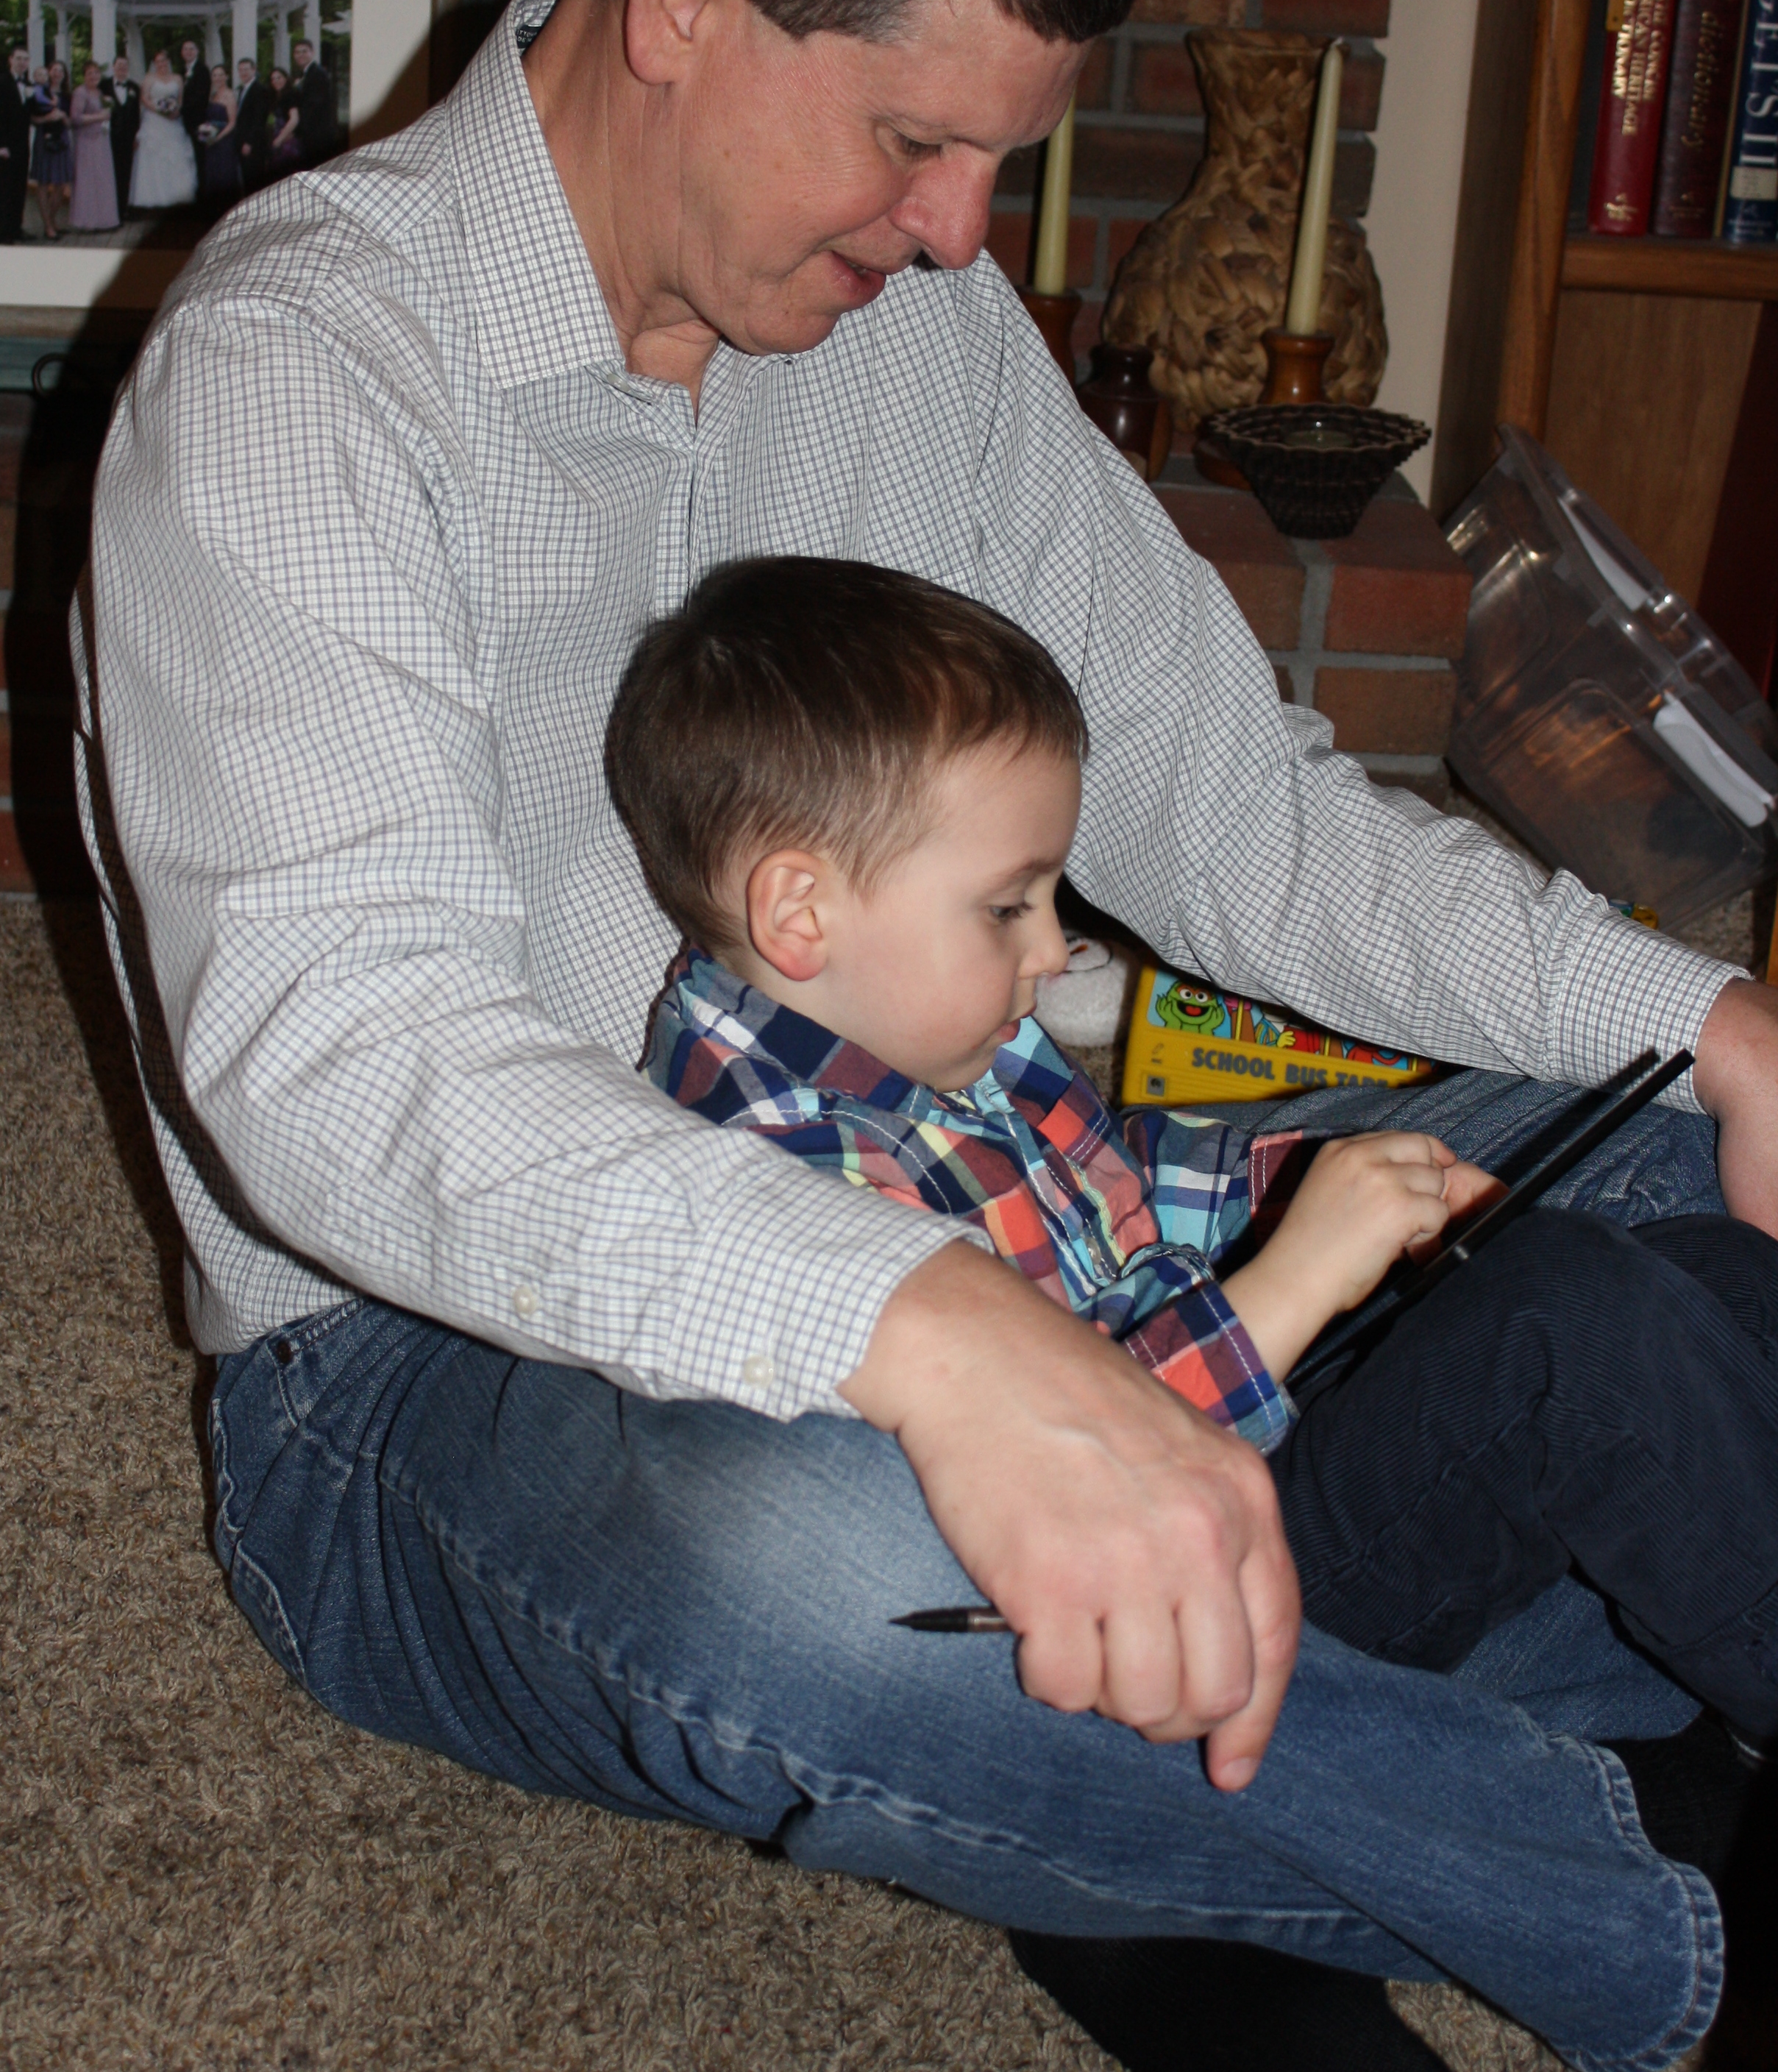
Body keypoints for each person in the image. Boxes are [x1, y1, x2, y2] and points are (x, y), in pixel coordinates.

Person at [76, 0, 1778, 2072]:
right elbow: (347, 1072)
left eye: (996, 159)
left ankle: (1168, 1735)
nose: (966, 236)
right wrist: (937, 1340)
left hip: (1006, 1144)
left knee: (1655, 1148)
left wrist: (1699, 1018)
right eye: (909, 140)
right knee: (823, 1567)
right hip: (433, 1370)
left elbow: (1243, 811)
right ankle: (1637, 1878)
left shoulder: (915, 333)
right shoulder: (298, 375)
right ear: (687, 0)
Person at [616, 555, 1778, 1750]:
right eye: (1010, 905)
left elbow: (1113, 1180)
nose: (1054, 950)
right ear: (798, 914)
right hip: (1174, 1596)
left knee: (1704, 1269)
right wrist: (1294, 1279)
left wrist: (1306, 1187)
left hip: (1235, 1434)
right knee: (1562, 1329)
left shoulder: (933, 1027)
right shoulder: (781, 1180)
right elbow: (1064, 1475)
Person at [129, 48, 199, 207]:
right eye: (158, 61)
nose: (161, 64)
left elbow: (180, 99)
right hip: (154, 121)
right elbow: (144, 99)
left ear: (169, 61)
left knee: (175, 156)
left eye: (164, 61)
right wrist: (159, 111)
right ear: (155, 64)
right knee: (154, 158)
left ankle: (176, 197)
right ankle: (154, 198)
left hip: (173, 121)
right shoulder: (149, 78)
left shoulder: (178, 78)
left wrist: (176, 111)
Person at [68, 57, 119, 233]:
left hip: (102, 140)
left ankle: (104, 220)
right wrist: (100, 117)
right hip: (87, 142)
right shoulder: (80, 92)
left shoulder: (100, 93)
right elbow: (76, 118)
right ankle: (87, 222)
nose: (94, 76)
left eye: (96, 73)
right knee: (88, 181)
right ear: (84, 76)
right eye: (90, 73)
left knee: (103, 180)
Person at [27, 57, 72, 237]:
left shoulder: (67, 96)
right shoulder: (39, 91)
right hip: (44, 138)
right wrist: (47, 118)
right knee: (44, 182)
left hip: (62, 139)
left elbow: (70, 122)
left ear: (64, 75)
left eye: (61, 71)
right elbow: (31, 118)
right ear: (48, 72)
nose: (57, 73)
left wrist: (63, 117)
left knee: (61, 183)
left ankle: (51, 221)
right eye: (54, 70)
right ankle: (48, 226)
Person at [196, 61, 241, 205]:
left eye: (221, 75)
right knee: (212, 172)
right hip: (211, 140)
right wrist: (206, 134)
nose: (218, 78)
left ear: (227, 77)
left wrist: (218, 138)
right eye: (215, 75)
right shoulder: (212, 95)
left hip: (224, 140)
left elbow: (232, 122)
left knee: (225, 173)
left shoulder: (229, 95)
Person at [102, 55, 139, 219]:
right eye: (119, 65)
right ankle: (108, 210)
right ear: (113, 67)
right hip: (108, 137)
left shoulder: (134, 88)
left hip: (128, 139)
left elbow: (136, 115)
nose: (122, 68)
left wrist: (136, 136)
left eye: (125, 65)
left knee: (125, 174)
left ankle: (123, 210)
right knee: (109, 174)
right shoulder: (104, 86)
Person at [290, 36, 335, 165]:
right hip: (310, 134)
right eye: (297, 52)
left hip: (317, 134)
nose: (300, 55)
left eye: (304, 51)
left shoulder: (318, 74)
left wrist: (297, 129)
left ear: (312, 53)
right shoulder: (305, 74)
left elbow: (314, 105)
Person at [0, 42, 28, 241]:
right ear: (11, 60)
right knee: (5, 189)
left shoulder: (28, 84)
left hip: (22, 145)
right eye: (18, 58)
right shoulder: (2, 82)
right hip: (6, 146)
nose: (22, 62)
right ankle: (5, 232)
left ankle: (17, 228)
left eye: (25, 59)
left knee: (19, 187)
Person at [232, 56, 270, 191]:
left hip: (253, 145)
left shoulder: (260, 90)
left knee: (254, 181)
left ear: (254, 70)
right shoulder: (242, 90)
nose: (243, 73)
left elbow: (259, 119)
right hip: (241, 141)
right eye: (241, 70)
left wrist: (249, 142)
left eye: (246, 69)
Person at [263, 63, 301, 177]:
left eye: (278, 78)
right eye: (273, 79)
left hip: (287, 141)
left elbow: (294, 119)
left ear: (286, 78)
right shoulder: (276, 96)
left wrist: (280, 139)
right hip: (277, 138)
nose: (276, 81)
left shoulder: (290, 95)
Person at [178, 37, 208, 144]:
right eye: (185, 49)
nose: (188, 52)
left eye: (191, 49)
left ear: (197, 51)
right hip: (185, 119)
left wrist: (181, 109)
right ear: (182, 52)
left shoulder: (202, 70)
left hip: (198, 119)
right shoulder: (182, 70)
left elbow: (201, 96)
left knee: (198, 148)